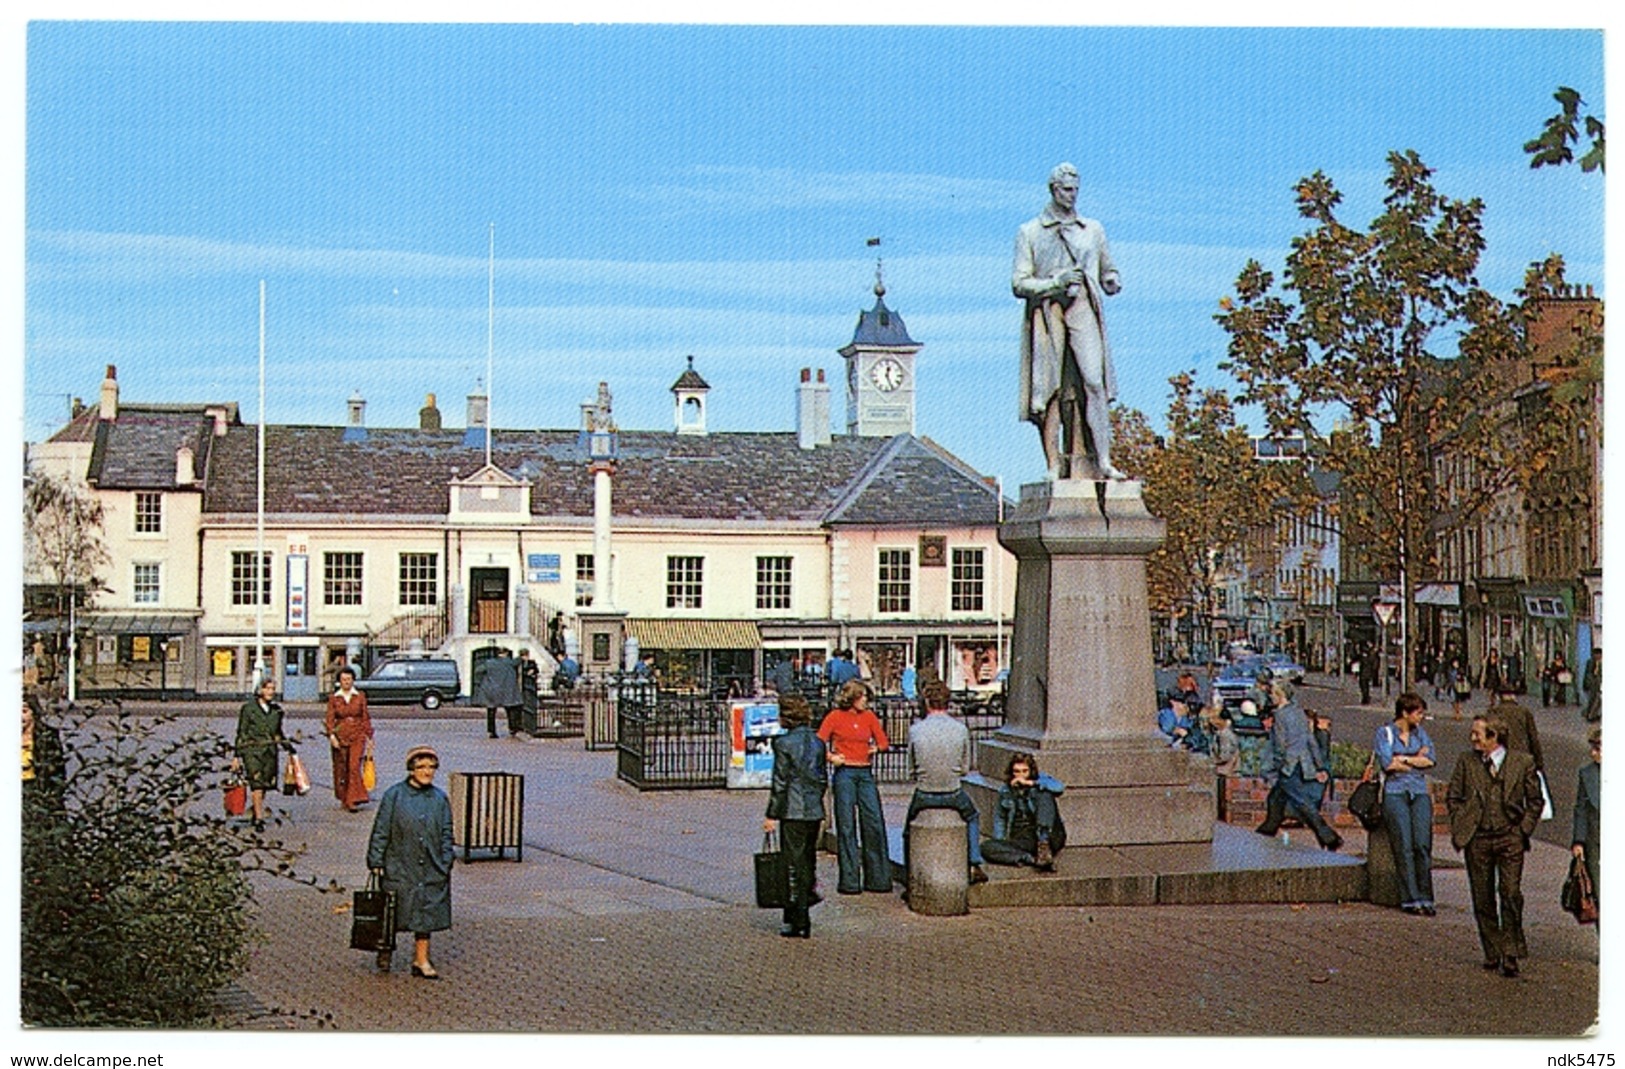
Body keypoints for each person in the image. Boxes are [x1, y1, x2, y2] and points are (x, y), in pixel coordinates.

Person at [1012, 162, 1123, 481]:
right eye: (1065, 189)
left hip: (1083, 306)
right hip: (1048, 312)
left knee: (1094, 381)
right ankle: (1053, 464)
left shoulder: (1093, 230)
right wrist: (1053, 283)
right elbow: (1019, 282)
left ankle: (1103, 461)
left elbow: (1108, 269)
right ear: (1052, 189)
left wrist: (1112, 280)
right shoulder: (1030, 232)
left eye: (1076, 189)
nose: (1072, 196)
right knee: (1049, 389)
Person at [1446, 715, 1544, 978]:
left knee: (1510, 893)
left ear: (1494, 737)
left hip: (1509, 836)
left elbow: (1536, 801)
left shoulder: (1522, 762)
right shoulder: (1467, 762)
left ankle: (1510, 951)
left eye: (1477, 734)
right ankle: (1492, 950)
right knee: (1482, 897)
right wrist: (1462, 823)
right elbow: (1453, 797)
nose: (1472, 738)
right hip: (1477, 838)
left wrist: (1523, 829)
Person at [368, 744, 454, 979]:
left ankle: (421, 959)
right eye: (421, 767)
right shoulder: (394, 795)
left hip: (430, 866)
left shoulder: (439, 799)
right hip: (400, 864)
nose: (427, 772)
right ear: (411, 769)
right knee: (393, 910)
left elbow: (447, 832)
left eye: (431, 767)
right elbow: (381, 829)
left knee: (426, 912)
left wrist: (446, 860)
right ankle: (385, 949)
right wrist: (376, 859)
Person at [904, 680, 988, 886]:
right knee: (973, 816)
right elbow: (965, 767)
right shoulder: (960, 729)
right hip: (952, 791)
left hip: (925, 792)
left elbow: (911, 770)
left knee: (907, 831)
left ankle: (909, 873)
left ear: (926, 701)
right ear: (948, 702)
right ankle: (974, 862)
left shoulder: (916, 730)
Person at [816, 680, 892, 894]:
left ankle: (877, 879)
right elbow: (818, 743)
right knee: (847, 826)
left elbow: (884, 742)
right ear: (853, 698)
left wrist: (874, 749)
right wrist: (831, 757)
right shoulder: (834, 717)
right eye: (863, 697)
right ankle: (849, 880)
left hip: (865, 773)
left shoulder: (869, 717)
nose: (866, 701)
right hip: (845, 773)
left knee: (873, 822)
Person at [762, 695, 826, 938]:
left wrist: (771, 814)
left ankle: (797, 918)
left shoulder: (784, 743)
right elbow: (821, 779)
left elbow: (780, 782)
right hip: (813, 808)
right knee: (808, 861)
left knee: (792, 863)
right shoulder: (818, 742)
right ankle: (804, 911)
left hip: (793, 809)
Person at [1253, 681, 1343, 852]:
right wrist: (1319, 766)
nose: (1270, 696)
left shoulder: (1279, 715)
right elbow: (1311, 740)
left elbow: (1280, 745)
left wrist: (1278, 765)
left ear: (1280, 696)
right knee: (1275, 799)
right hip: (1303, 762)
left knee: (1301, 802)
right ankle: (1266, 831)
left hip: (1289, 765)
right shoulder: (1299, 712)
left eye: (1273, 693)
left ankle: (1330, 837)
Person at [1374, 692, 1438, 915]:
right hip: (1395, 792)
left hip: (1419, 792)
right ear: (1405, 712)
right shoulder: (1385, 733)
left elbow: (1430, 760)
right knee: (1403, 845)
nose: (1421, 717)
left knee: (1422, 844)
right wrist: (1414, 760)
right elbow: (1387, 764)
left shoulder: (1421, 734)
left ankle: (1426, 896)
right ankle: (1410, 898)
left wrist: (1404, 758)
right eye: (1418, 713)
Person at [983, 753, 1066, 870]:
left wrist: (1031, 783)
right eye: (1016, 771)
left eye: (1024, 771)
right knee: (986, 847)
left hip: (1047, 835)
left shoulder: (1040, 780)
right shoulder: (1005, 791)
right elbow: (1000, 818)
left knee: (1044, 794)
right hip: (1023, 838)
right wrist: (1000, 843)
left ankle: (1043, 847)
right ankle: (1031, 859)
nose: (1020, 775)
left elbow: (1059, 787)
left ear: (1030, 771)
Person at [233, 677, 291, 831]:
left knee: (264, 784)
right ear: (260, 690)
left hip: (270, 752)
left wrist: (290, 749)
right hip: (252, 751)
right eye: (267, 689)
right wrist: (236, 756)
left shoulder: (277, 711)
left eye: (272, 689)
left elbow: (278, 732)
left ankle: (255, 810)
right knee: (256, 783)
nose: (270, 692)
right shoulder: (248, 709)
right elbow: (242, 732)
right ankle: (259, 819)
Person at [324, 665, 374, 813]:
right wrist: (332, 735)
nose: (346, 682)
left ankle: (354, 799)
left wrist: (369, 737)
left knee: (353, 766)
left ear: (353, 680)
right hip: (340, 736)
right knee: (341, 768)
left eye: (349, 679)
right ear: (339, 681)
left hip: (357, 735)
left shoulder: (360, 696)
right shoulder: (334, 698)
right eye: (343, 679)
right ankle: (344, 797)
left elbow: (365, 717)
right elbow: (330, 719)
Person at [1486, 683, 1545, 780]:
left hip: (1499, 758)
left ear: (1500, 697)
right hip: (1521, 756)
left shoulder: (1493, 712)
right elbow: (1533, 739)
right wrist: (1539, 762)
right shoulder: (1524, 712)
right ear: (1514, 696)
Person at [1572, 726, 1600, 918]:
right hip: (1595, 842)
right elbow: (1580, 809)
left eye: (1598, 749)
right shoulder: (1587, 773)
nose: (1593, 753)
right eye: (1593, 748)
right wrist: (1578, 841)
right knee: (1599, 893)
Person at [474, 649, 522, 738]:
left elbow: (478, 670)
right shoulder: (510, 663)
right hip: (507, 689)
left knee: (491, 711)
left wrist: (484, 680)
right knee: (510, 709)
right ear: (506, 654)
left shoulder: (490, 663)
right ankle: (512, 728)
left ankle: (492, 731)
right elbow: (519, 660)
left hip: (492, 689)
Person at [1208, 702, 1241, 821]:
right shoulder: (1221, 734)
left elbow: (1224, 755)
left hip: (1225, 770)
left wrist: (1211, 761)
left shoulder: (1225, 735)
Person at [517, 648, 540, 737]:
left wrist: (533, 672)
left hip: (531, 686)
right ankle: (524, 725)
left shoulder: (531, 663)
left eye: (526, 655)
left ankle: (531, 727)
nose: (525, 657)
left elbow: (536, 670)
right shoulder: (519, 664)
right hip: (522, 687)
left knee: (531, 706)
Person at [1581, 649, 1601, 723]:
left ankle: (1592, 714)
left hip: (1597, 683)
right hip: (1592, 684)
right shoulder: (1590, 662)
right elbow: (1588, 674)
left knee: (1596, 700)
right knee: (1592, 699)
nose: (1599, 656)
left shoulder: (1600, 662)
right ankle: (1590, 715)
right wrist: (1589, 683)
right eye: (1598, 654)